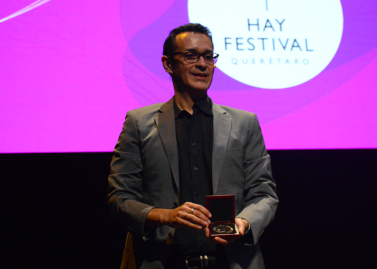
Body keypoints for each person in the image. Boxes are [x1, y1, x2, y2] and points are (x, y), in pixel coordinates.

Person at [108, 23, 278, 269]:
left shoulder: (244, 123)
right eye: (191, 55)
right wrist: (166, 215)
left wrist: (244, 222)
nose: (202, 64)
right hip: (164, 261)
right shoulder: (139, 123)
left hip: (229, 262)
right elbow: (119, 199)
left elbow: (264, 194)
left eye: (208, 57)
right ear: (168, 64)